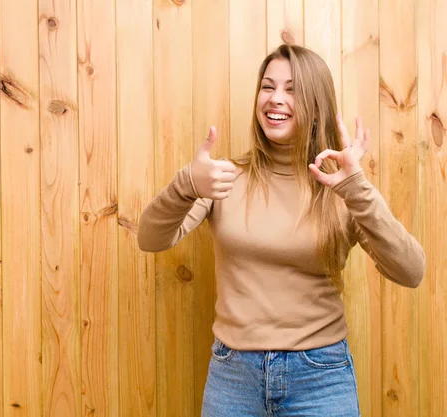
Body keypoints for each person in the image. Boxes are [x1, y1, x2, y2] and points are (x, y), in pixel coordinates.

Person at [136, 44, 425, 417]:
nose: (276, 99)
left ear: (316, 102)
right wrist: (187, 182)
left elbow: (411, 271)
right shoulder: (225, 178)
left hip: (321, 379)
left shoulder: (339, 186)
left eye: (292, 89)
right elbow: (150, 238)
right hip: (233, 377)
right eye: (268, 86)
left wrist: (357, 188)